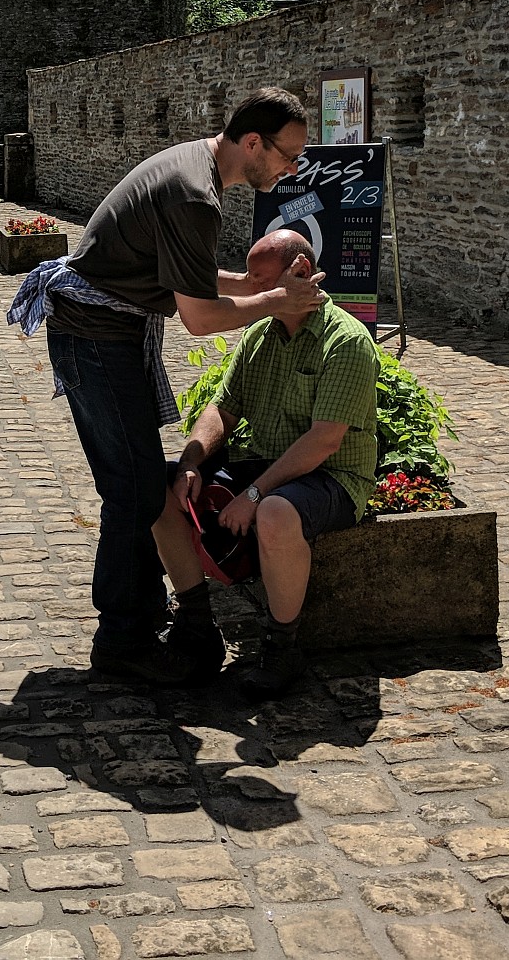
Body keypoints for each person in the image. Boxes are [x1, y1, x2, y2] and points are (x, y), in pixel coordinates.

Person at [7, 87, 326, 684]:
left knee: (137, 485)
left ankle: (155, 618)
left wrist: (254, 289)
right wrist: (275, 301)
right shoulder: (195, 194)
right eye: (288, 155)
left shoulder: (194, 168)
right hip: (98, 337)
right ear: (252, 142)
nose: (292, 169)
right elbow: (200, 318)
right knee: (133, 491)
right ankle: (123, 641)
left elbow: (193, 273)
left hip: (100, 332)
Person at [154, 229, 378, 699]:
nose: (253, 292)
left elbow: (323, 443)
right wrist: (193, 460)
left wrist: (252, 496)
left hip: (332, 479)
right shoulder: (261, 334)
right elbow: (223, 409)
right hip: (272, 465)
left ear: (299, 273)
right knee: (164, 486)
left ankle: (283, 649)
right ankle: (197, 627)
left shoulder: (347, 340)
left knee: (275, 512)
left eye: (261, 280)